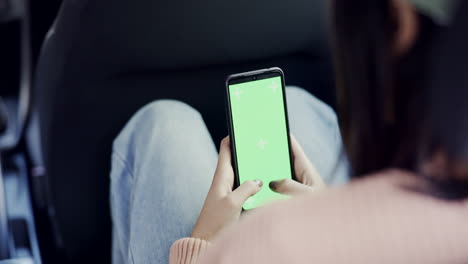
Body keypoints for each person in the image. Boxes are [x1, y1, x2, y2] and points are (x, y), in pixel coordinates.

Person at [110, 0, 466, 263]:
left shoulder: (267, 242)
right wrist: (331, 212)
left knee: (163, 123)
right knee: (295, 104)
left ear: (399, 21)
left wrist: (206, 245)